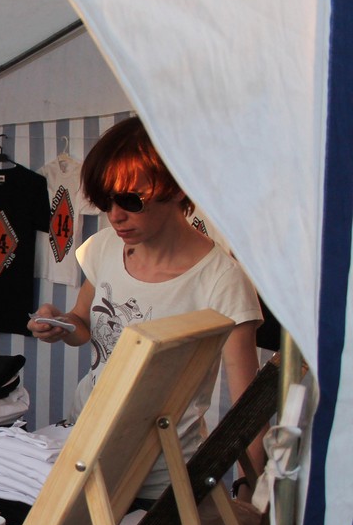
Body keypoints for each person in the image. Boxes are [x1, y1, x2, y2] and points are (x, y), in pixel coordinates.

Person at [28, 116, 263, 501]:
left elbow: (247, 405)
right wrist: (60, 324)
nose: (115, 215)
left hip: (161, 477)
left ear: (177, 187)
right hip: (84, 448)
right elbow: (84, 324)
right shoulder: (104, 248)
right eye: (105, 201)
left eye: (130, 201)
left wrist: (251, 490)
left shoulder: (221, 280)